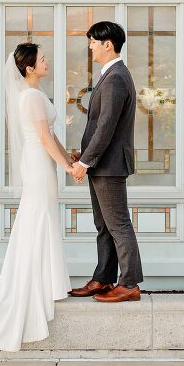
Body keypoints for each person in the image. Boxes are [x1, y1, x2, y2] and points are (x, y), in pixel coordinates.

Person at [0, 42, 75, 352]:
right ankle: (32, 286)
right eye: (42, 59)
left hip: (42, 163)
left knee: (40, 219)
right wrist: (69, 168)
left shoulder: (34, 95)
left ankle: (44, 282)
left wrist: (70, 161)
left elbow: (53, 137)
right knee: (37, 220)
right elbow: (45, 139)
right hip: (37, 165)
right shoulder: (32, 97)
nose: (47, 61)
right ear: (30, 68)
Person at [68, 19, 143, 302]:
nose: (90, 47)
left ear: (107, 44)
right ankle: (103, 278)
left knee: (118, 224)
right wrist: (83, 154)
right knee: (104, 225)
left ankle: (130, 283)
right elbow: (99, 124)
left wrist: (85, 163)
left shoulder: (116, 77)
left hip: (109, 166)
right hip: (101, 164)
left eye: (92, 42)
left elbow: (107, 125)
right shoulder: (110, 75)